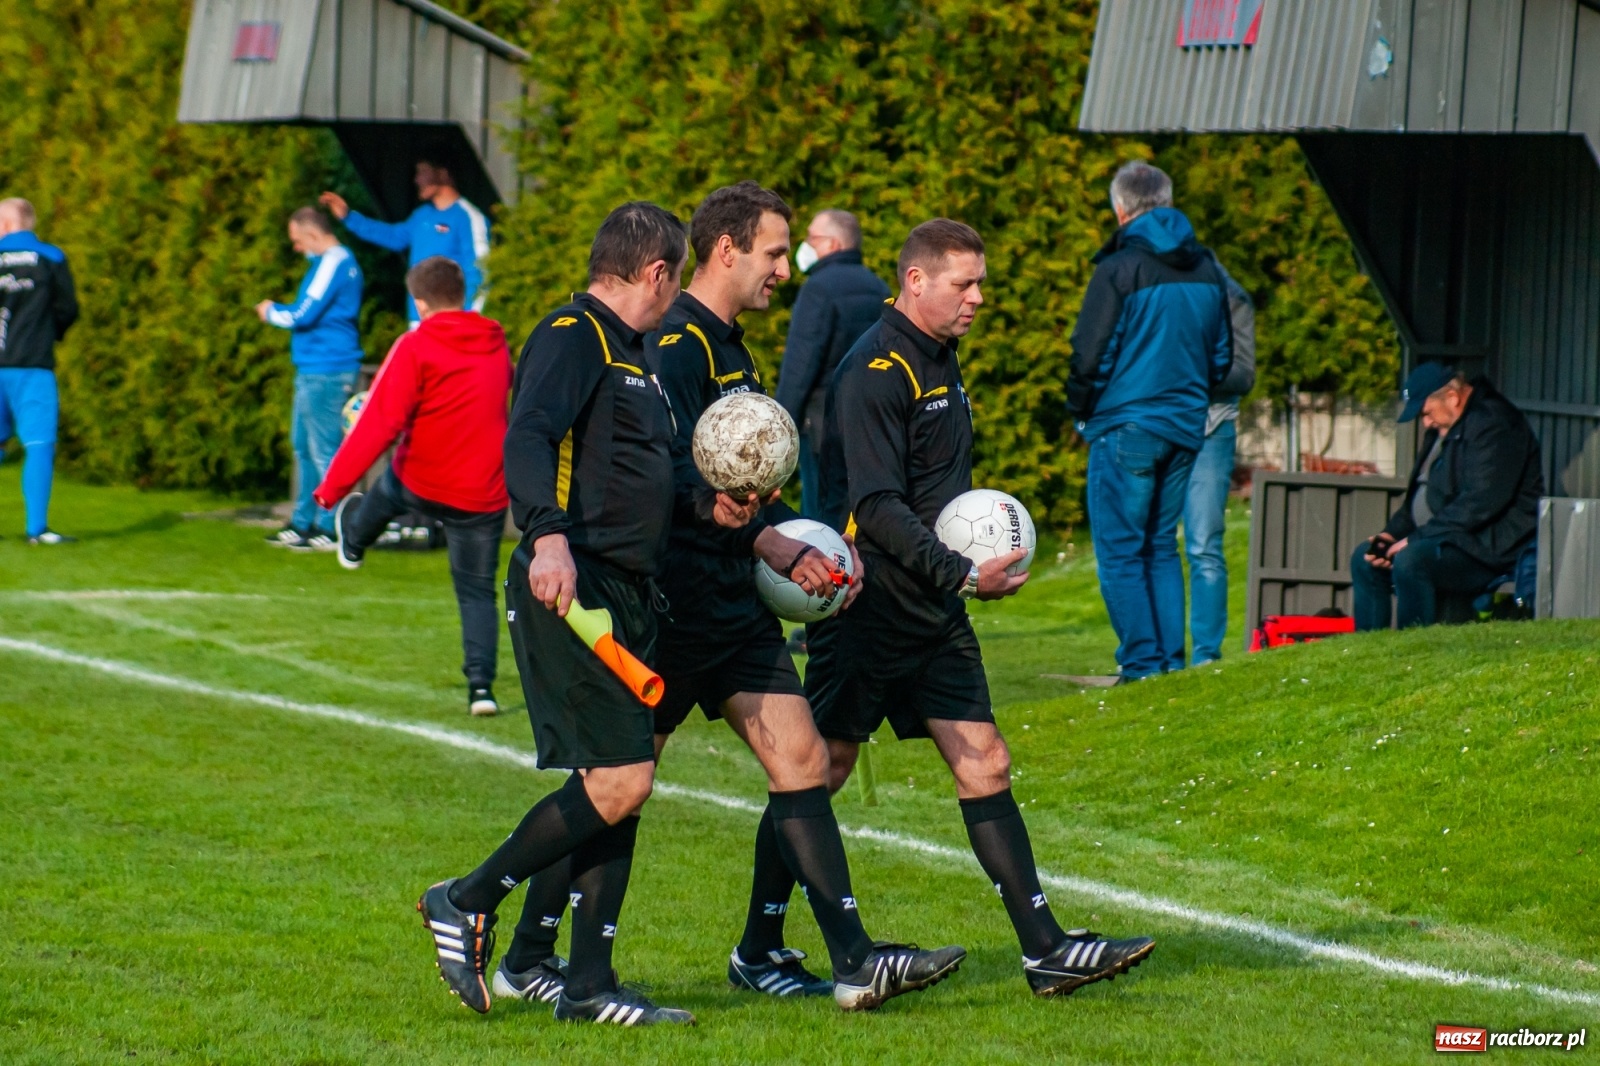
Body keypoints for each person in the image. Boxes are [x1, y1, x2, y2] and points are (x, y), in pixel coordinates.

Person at [417, 201, 758, 1028]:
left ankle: (587, 984)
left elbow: (652, 472)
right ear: (660, 273)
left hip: (633, 591)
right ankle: (465, 900)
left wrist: (707, 505)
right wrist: (547, 539)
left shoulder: (637, 356)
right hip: (572, 588)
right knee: (621, 776)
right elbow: (528, 438)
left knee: (617, 783)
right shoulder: (576, 334)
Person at [809, 218, 1156, 998]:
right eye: (963, 283)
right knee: (817, 771)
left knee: (986, 759)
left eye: (980, 282)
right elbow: (875, 501)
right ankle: (760, 947)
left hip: (931, 611)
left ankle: (1046, 951)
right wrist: (961, 572)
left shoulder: (942, 356)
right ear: (915, 281)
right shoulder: (874, 367)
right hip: (872, 608)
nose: (977, 297)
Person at [636, 181, 960, 1010]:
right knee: (617, 785)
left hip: (734, 604)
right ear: (726, 250)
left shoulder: (735, 350)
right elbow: (675, 482)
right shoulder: (673, 348)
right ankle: (519, 936)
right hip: (675, 606)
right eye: (776, 253)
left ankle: (839, 960)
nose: (788, 268)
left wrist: (815, 558)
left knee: (805, 759)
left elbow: (753, 488)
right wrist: (765, 539)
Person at [311, 257, 513, 716]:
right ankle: (481, 688)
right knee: (477, 592)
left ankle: (355, 540)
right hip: (483, 491)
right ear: (461, 296)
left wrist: (331, 489)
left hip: (423, 478)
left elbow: (379, 423)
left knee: (384, 493)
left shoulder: (416, 345)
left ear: (420, 303)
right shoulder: (495, 343)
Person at [1066, 161, 1231, 682]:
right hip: (1186, 426)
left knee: (1119, 551)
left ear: (1120, 209)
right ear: (1168, 199)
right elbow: (1222, 358)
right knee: (1161, 546)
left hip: (1126, 425)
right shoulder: (1206, 267)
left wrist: (1082, 408)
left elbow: (1089, 355)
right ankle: (1169, 664)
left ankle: (1141, 666)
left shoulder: (1119, 269)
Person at [1351, 362, 1542, 630]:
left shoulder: (1495, 425)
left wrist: (1416, 539)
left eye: (1427, 413)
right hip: (1445, 537)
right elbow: (1421, 492)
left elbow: (1480, 503)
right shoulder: (1444, 428)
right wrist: (1391, 535)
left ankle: (1411, 652)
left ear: (1452, 398)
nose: (1426, 422)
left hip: (1486, 548)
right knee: (1364, 559)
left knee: (1411, 562)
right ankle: (1366, 650)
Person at [255, 206, 365, 551]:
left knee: (324, 451)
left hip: (328, 368)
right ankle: (303, 521)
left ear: (313, 233)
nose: (297, 247)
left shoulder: (334, 261)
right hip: (313, 367)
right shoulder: (326, 263)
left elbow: (304, 313)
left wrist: (271, 311)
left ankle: (330, 526)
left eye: (298, 240)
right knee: (304, 447)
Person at [775, 209, 890, 526]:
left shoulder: (818, 288)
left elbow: (800, 365)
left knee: (821, 517)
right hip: (870, 424)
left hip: (824, 427)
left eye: (812, 238)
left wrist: (781, 427)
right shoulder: (878, 287)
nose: (805, 246)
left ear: (833, 244)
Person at [1182, 261, 1255, 665]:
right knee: (1150, 546)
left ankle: (1206, 657)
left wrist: (1185, 369)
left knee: (1204, 543)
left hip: (1212, 429)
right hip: (1155, 425)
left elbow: (1242, 374)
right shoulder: (1146, 285)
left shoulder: (1232, 297)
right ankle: (1155, 656)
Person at [319, 159, 488, 325]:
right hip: (418, 320)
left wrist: (468, 320)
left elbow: (480, 272)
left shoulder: (468, 217)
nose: (416, 180)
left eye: (422, 171)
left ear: (443, 174)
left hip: (451, 324)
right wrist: (349, 217)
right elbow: (393, 236)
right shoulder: (421, 216)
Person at [0, 197, 78, 545]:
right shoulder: (51, 257)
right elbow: (68, 308)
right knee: (39, 444)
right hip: (33, 366)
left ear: (5, 225)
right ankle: (37, 530)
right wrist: (50, 334)